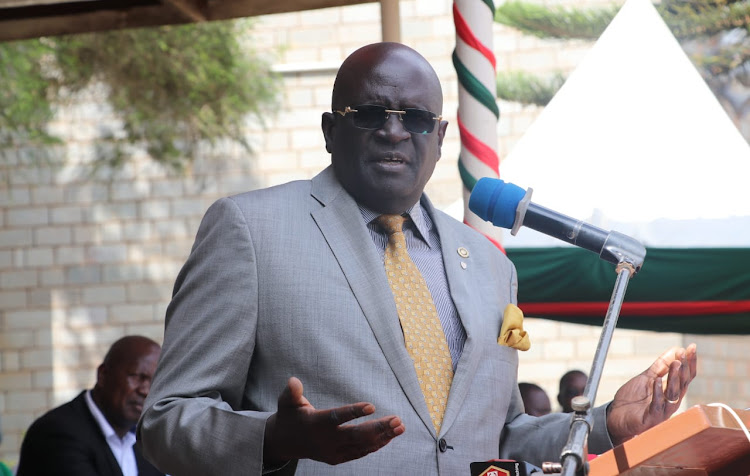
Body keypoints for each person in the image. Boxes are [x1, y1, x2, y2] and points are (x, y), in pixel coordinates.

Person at [138, 42, 698, 475]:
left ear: (440, 136)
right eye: (370, 113)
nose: (393, 131)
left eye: (415, 119)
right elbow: (164, 421)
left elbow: (495, 439)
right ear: (332, 130)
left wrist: (606, 424)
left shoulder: (488, 264)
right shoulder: (251, 230)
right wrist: (273, 440)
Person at [17, 335, 163, 476]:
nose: (145, 391)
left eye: (154, 382)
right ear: (103, 375)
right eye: (137, 376)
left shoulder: (142, 440)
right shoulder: (57, 433)